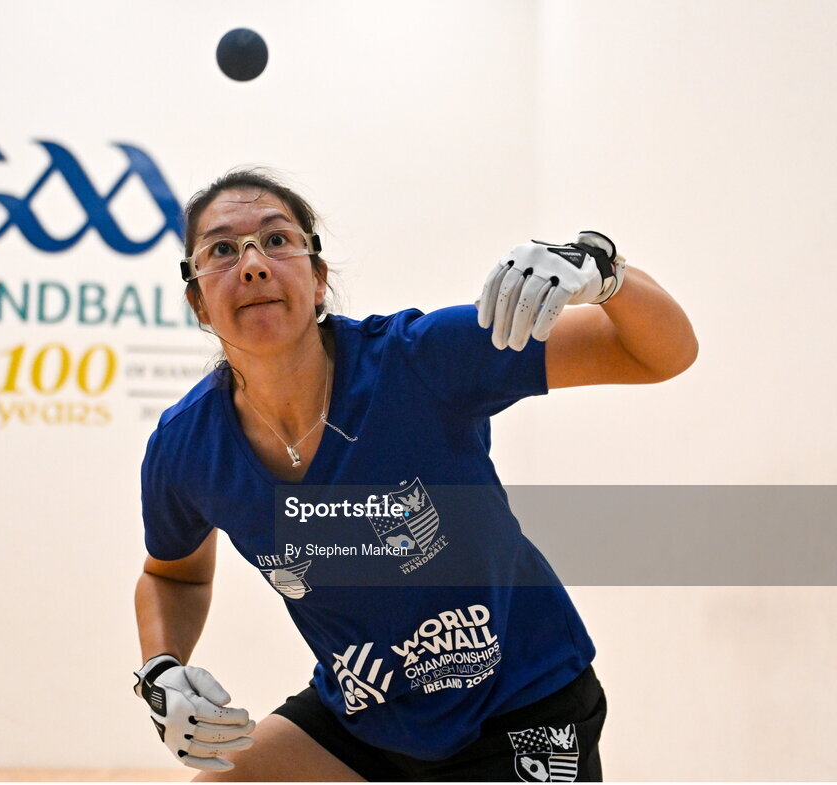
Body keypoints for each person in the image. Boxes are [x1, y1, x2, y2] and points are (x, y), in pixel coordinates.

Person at [133, 169, 698, 781]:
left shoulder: (423, 359)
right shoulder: (185, 447)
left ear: (318, 281)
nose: (253, 265)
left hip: (522, 708)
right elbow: (174, 577)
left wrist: (605, 274)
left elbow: (661, 353)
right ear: (197, 301)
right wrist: (161, 670)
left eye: (276, 240)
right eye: (221, 249)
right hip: (365, 716)